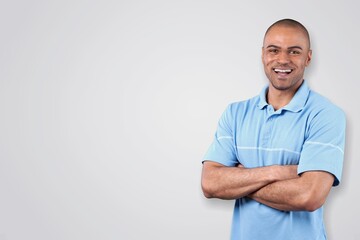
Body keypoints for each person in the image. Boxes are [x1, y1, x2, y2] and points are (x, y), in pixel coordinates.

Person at [201, 19, 346, 240]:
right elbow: (210, 184)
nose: (283, 60)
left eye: (294, 51)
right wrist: (278, 172)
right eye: (274, 50)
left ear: (308, 57)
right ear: (263, 55)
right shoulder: (235, 113)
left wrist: (240, 180)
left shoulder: (325, 115)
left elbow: (309, 196)